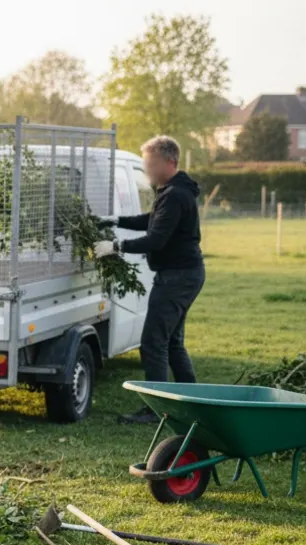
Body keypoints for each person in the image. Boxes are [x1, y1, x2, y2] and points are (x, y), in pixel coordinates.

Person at [94, 136, 205, 424]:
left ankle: (158, 411)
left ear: (169, 162)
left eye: (151, 164)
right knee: (172, 343)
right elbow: (153, 219)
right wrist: (116, 221)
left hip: (177, 278)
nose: (147, 171)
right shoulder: (174, 190)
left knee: (153, 343)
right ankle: (190, 400)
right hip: (185, 275)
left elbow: (156, 238)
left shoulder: (175, 194)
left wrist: (115, 247)